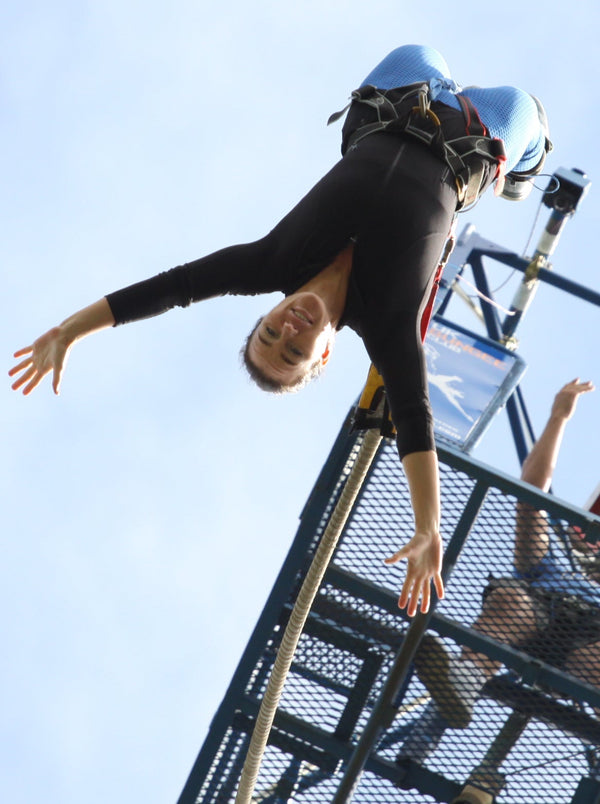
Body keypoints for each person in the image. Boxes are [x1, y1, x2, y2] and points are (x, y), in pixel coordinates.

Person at [9, 45, 551, 617]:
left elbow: (173, 287)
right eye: (294, 350)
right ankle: (523, 170)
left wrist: (71, 330)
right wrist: (427, 527)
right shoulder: (389, 328)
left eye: (269, 334)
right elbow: (414, 418)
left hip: (393, 98)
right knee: (530, 116)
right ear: (323, 356)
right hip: (474, 138)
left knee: (423, 47)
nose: (288, 330)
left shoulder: (268, 264)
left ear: (264, 316)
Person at [414, 378, 600, 728]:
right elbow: (531, 497)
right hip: (542, 621)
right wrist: (558, 417)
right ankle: (462, 682)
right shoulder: (555, 572)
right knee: (510, 598)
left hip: (590, 644)